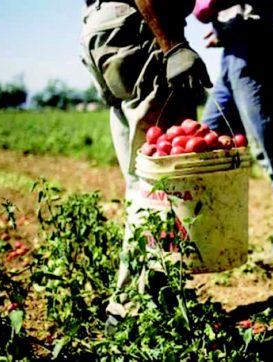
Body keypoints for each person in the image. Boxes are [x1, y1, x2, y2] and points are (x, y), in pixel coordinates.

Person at [79, 0, 211, 331]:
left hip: (105, 31)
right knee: (162, 182)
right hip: (141, 30)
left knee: (142, 181)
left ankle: (140, 300)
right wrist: (173, 46)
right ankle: (134, 307)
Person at [193, 0, 273, 267]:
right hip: (233, 49)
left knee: (270, 146)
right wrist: (225, 28)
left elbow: (208, 6)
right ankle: (206, 236)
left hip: (257, 46)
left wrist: (207, 7)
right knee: (207, 140)